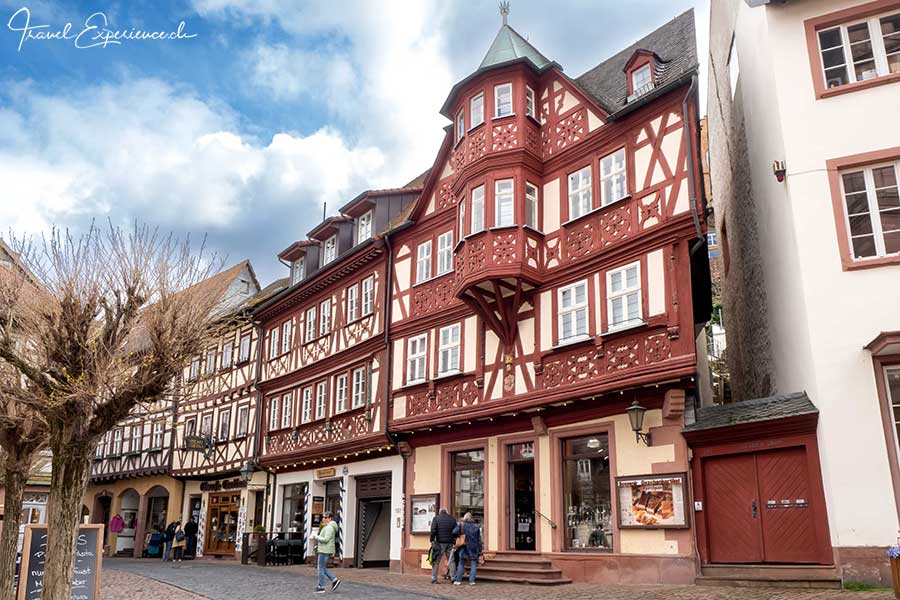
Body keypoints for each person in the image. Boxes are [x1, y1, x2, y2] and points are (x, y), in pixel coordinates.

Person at [313, 512, 342, 594]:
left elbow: (326, 539)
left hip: (325, 550)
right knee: (322, 567)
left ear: (330, 518)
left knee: (320, 568)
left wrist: (316, 536)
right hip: (324, 549)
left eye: (325, 517)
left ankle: (321, 586)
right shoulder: (328, 526)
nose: (323, 519)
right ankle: (334, 580)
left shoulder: (329, 528)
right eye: (323, 517)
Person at [452, 512, 482, 586]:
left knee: (461, 563)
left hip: (463, 546)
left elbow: (454, 532)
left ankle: (458, 580)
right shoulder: (476, 526)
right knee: (474, 563)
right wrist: (480, 550)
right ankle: (472, 581)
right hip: (473, 547)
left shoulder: (462, 525)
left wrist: (460, 533)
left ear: (464, 518)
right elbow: (479, 540)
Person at [429, 508, 457, 583]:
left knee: (436, 561)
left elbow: (433, 530)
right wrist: (454, 539)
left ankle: (434, 578)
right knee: (451, 560)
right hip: (450, 542)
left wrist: (431, 540)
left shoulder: (436, 519)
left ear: (439, 512)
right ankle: (453, 578)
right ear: (447, 512)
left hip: (439, 542)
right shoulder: (452, 519)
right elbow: (456, 530)